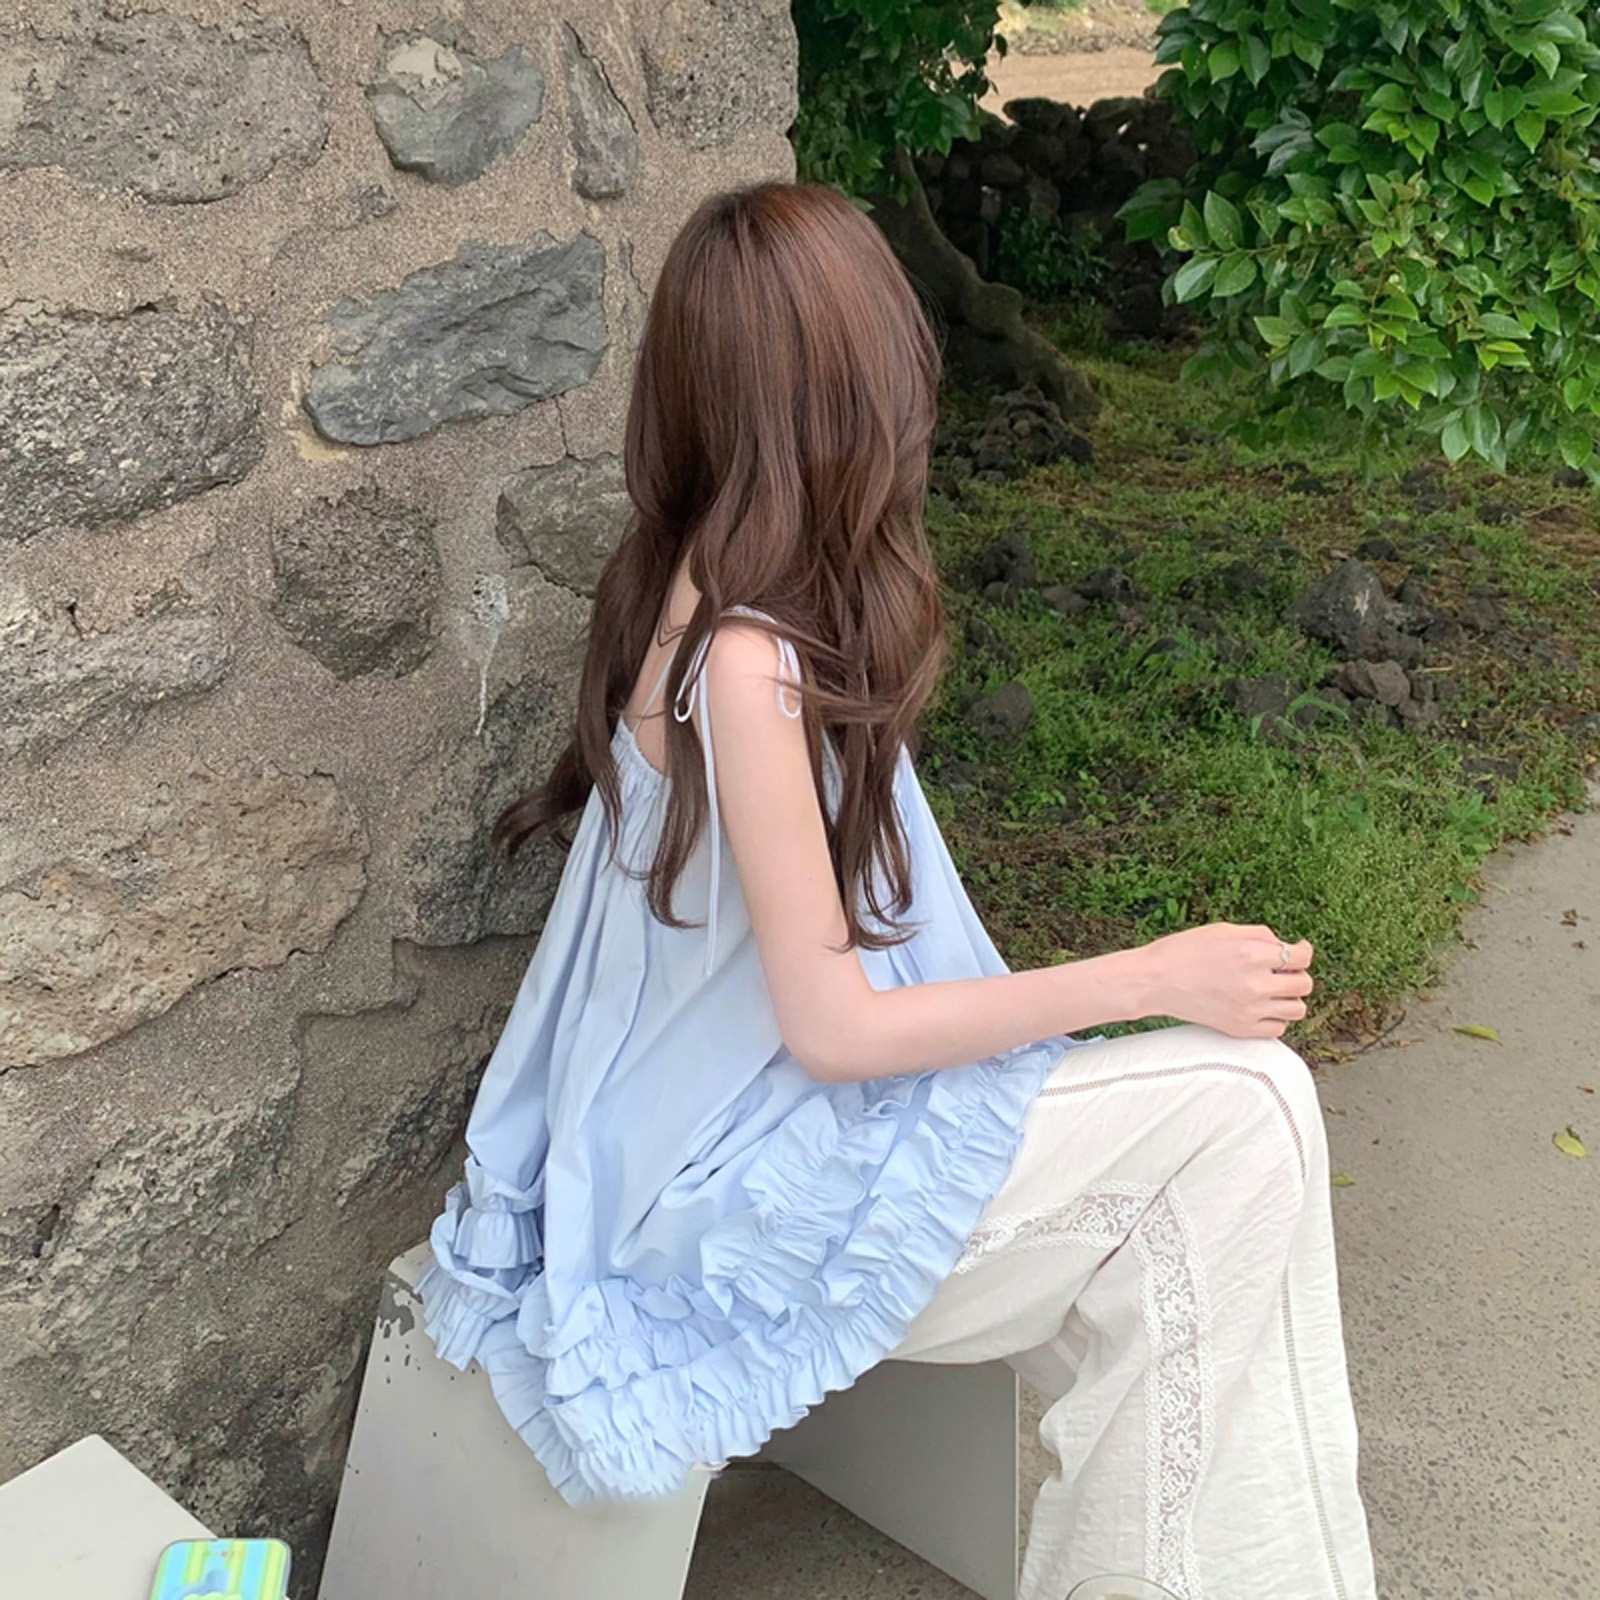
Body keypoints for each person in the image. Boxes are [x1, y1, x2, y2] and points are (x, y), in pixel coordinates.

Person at [416, 179, 1378, 1600]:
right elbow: (832, 1027)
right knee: (1247, 1114)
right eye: (893, 356)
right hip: (735, 1200)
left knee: (1216, 1202)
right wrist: (1151, 978)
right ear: (845, 395)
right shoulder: (747, 661)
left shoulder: (697, 586)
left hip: (739, 1142)